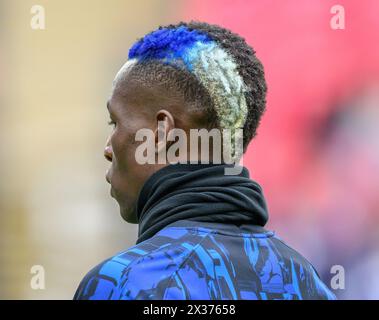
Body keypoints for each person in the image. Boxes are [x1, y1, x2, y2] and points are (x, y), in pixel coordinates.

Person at [74, 21, 336, 300]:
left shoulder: (123, 283)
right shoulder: (307, 282)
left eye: (115, 122)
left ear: (161, 132)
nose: (107, 148)